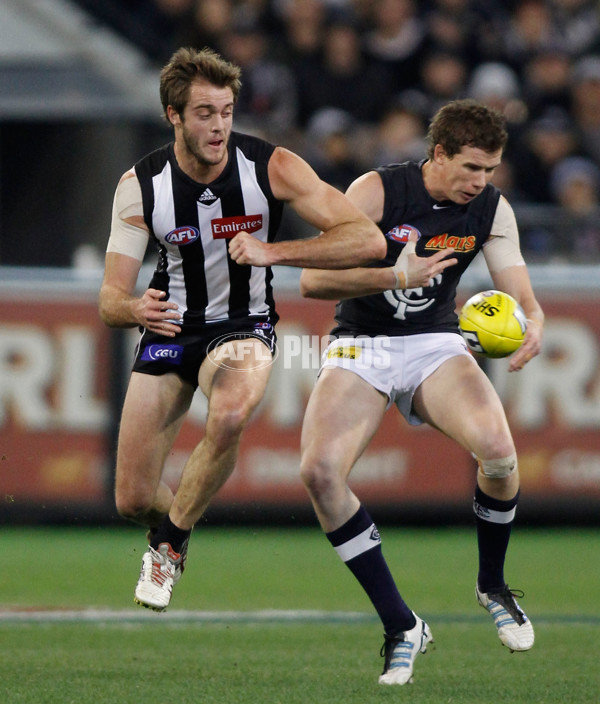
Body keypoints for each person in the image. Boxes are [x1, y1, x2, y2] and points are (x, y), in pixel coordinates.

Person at [98, 46, 386, 613]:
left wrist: (274, 250)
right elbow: (109, 298)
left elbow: (367, 239)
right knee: (132, 499)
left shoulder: (270, 166)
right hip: (169, 329)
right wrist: (135, 310)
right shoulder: (141, 186)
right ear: (173, 116)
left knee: (228, 413)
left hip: (243, 326)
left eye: (226, 111)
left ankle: (170, 547)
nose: (219, 125)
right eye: (204, 113)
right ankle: (175, 524)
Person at [298, 99, 544, 685]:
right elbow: (313, 279)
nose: (480, 183)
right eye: (471, 169)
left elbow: (519, 288)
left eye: (489, 171)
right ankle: (401, 624)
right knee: (319, 473)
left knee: (501, 454)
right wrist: (393, 275)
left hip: (436, 342)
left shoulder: (490, 207)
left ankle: (492, 586)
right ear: (438, 154)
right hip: (364, 343)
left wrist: (533, 320)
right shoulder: (378, 192)